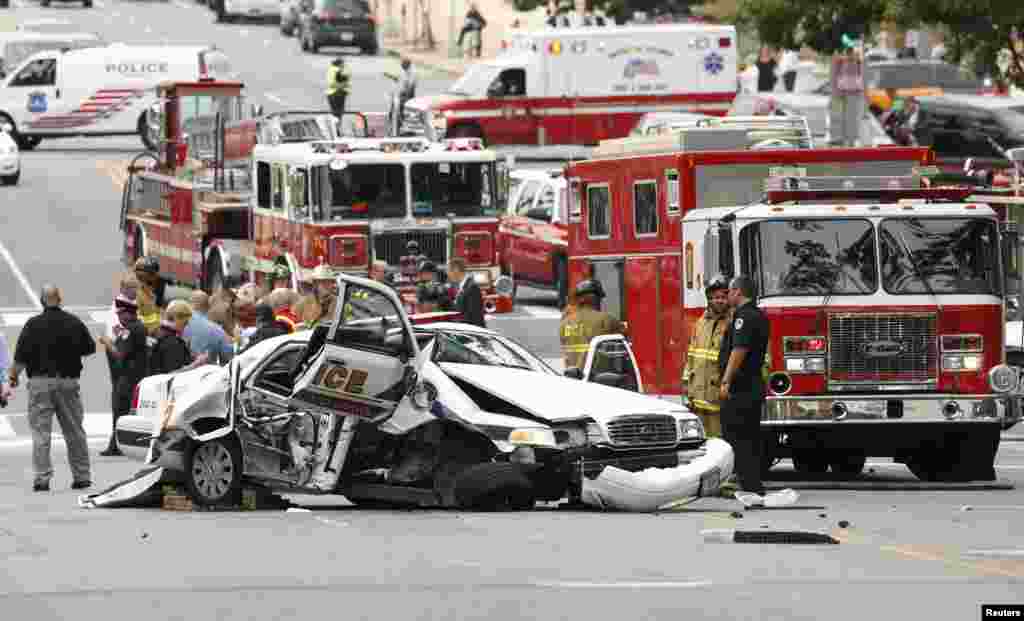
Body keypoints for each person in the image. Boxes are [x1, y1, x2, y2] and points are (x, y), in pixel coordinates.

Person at [9, 285, 96, 490]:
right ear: (60, 298)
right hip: (68, 382)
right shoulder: (73, 322)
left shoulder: (32, 325)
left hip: (40, 384)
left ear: (42, 300)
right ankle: (82, 476)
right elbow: (89, 348)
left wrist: (13, 377)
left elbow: (20, 359)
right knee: (74, 431)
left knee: (41, 434)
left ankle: (42, 478)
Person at [718, 275, 770, 501]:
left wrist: (726, 380)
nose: (728, 296)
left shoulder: (744, 317)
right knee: (750, 437)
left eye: (729, 292)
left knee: (737, 437)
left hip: (740, 388)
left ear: (737, 292)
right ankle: (753, 483)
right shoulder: (758, 315)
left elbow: (739, 350)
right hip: (753, 385)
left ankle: (750, 486)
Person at [681, 275, 731, 438]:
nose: (720, 301)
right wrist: (686, 387)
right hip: (698, 399)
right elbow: (691, 357)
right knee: (700, 445)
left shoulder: (734, 322)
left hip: (719, 399)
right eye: (716, 297)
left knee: (721, 445)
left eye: (724, 297)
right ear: (709, 299)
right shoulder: (701, 323)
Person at [559, 279, 623, 370]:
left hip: (573, 377)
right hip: (597, 378)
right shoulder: (606, 320)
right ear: (594, 298)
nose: (600, 302)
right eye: (600, 298)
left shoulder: (564, 323)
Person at [150, 301, 208, 375]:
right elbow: (172, 375)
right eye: (185, 323)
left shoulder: (158, 332)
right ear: (177, 319)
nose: (186, 326)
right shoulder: (173, 342)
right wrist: (197, 364)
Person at [183, 291, 234, 365]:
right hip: (206, 374)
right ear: (208, 306)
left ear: (189, 303)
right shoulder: (218, 330)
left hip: (177, 373)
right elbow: (228, 359)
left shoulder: (178, 322)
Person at [134, 256, 166, 336]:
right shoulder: (137, 296)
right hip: (146, 338)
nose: (157, 277)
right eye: (154, 274)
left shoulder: (150, 294)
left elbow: (157, 314)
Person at [448, 257, 485, 327]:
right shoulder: (461, 286)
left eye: (449, 270)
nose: (448, 274)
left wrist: (454, 323)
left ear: (456, 270)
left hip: (472, 332)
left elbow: (474, 316)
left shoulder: (472, 288)